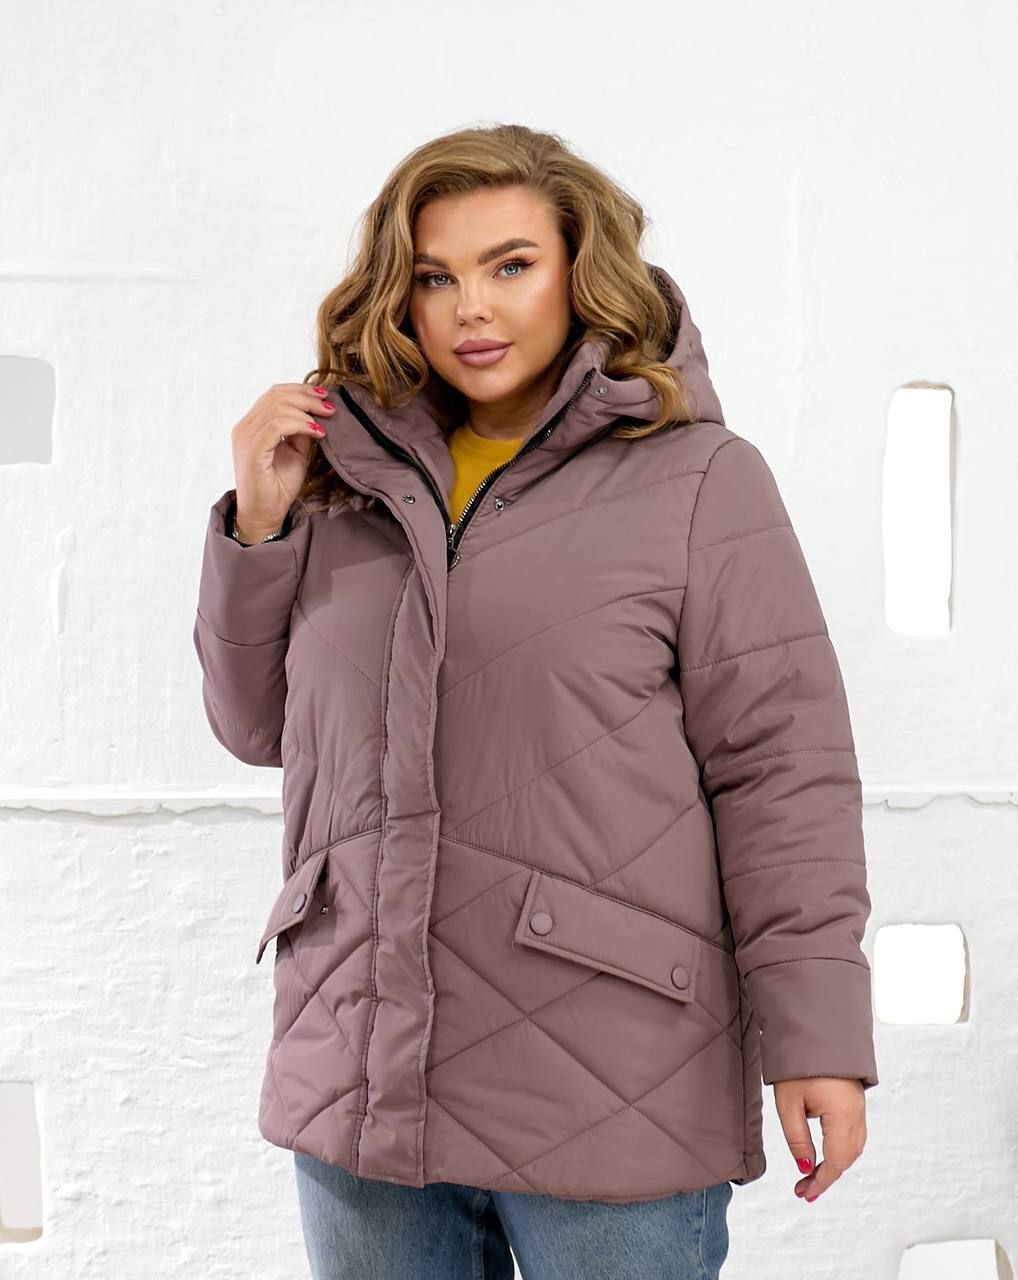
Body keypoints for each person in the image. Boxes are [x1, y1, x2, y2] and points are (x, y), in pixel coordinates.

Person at [192, 123, 879, 1279]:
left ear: (580, 271)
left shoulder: (699, 480)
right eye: (434, 276)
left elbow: (781, 774)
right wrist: (259, 526)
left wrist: (817, 1039)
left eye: (510, 265)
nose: (471, 307)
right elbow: (254, 725)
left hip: (609, 1082)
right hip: (363, 1076)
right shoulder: (345, 483)